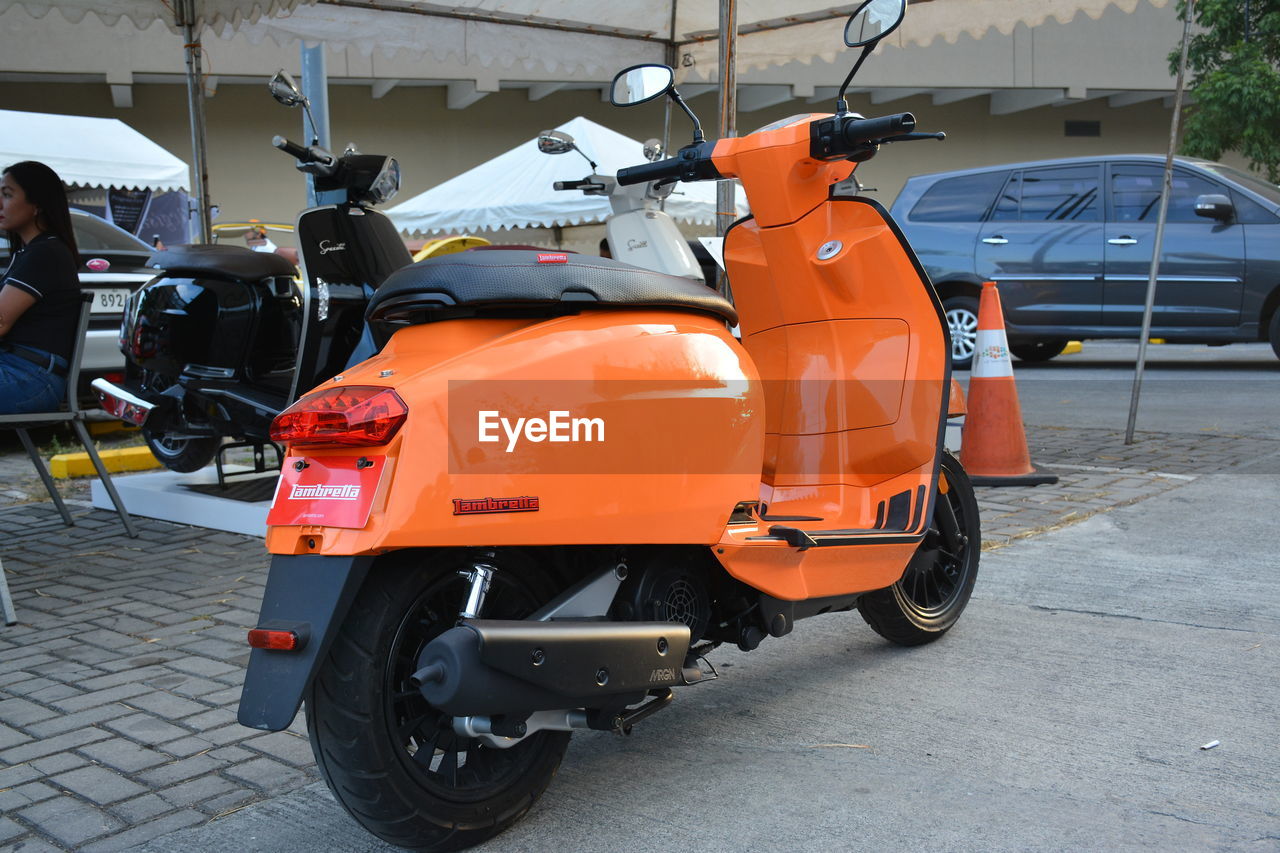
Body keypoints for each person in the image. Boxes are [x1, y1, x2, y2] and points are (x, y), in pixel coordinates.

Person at [0, 161, 82, 414]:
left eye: (6, 194)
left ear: (37, 204)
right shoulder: (32, 252)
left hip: (30, 378)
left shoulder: (46, 253)